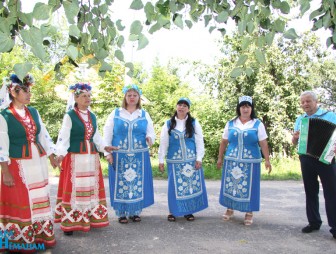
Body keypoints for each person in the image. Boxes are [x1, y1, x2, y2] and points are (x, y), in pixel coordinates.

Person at [0, 74, 57, 250]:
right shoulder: (4, 115)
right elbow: (2, 144)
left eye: (28, 90)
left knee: (38, 197)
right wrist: (5, 171)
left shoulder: (33, 112)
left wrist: (51, 154)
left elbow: (43, 135)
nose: (28, 93)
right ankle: (19, 240)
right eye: (24, 90)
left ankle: (40, 236)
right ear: (13, 92)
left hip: (36, 162)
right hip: (17, 165)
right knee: (23, 199)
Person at [54, 83, 117, 235]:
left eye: (89, 96)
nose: (87, 99)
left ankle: (89, 218)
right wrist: (60, 154)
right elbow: (64, 137)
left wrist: (104, 148)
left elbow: (96, 137)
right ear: (76, 98)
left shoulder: (92, 116)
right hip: (75, 158)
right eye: (84, 96)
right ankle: (70, 223)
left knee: (89, 188)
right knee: (75, 189)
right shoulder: (70, 116)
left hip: (91, 158)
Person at [103, 84, 155, 224]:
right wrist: (107, 152)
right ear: (125, 97)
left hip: (139, 155)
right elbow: (107, 133)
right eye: (129, 95)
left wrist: (150, 139)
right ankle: (121, 213)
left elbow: (151, 132)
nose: (132, 98)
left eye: (135, 95)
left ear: (139, 98)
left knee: (136, 183)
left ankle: (135, 212)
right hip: (119, 155)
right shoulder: (116, 113)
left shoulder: (144, 114)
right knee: (121, 183)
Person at [216, 95, 272, 226]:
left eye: (248, 107)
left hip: (251, 162)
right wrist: (219, 158)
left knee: (250, 187)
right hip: (232, 160)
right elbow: (224, 142)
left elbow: (263, 143)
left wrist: (267, 160)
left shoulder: (257, 124)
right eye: (243, 106)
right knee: (231, 185)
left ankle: (249, 212)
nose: (245, 109)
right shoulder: (230, 123)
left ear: (251, 109)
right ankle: (230, 209)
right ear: (239, 108)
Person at [292, 91, 336, 239]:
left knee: (331, 192)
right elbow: (294, 142)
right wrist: (295, 138)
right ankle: (314, 222)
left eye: (308, 101)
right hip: (306, 157)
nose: (305, 104)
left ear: (316, 102)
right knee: (310, 191)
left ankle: (335, 227)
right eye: (303, 102)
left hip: (326, 158)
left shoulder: (330, 116)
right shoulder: (300, 119)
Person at [158, 97, 208, 222]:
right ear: (176, 107)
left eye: (185, 105)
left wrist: (199, 158)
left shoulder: (194, 123)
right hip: (174, 162)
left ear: (188, 109)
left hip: (190, 161)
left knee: (189, 186)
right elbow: (163, 143)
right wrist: (161, 159)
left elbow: (199, 141)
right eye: (180, 105)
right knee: (174, 187)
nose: (182, 107)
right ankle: (172, 211)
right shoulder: (168, 124)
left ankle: (188, 211)